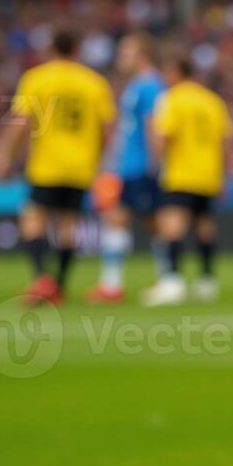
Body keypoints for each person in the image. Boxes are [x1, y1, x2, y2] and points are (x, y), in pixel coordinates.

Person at [0, 29, 115, 306]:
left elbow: (21, 123)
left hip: (47, 163)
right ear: (77, 49)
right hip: (81, 165)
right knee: (68, 225)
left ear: (51, 48)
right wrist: (98, 157)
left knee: (33, 218)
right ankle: (59, 286)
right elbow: (106, 129)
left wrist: (5, 155)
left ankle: (43, 279)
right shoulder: (95, 83)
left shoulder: (37, 78)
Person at [142, 55, 231, 307]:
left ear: (177, 71)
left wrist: (154, 162)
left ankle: (172, 281)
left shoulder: (172, 99)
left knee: (173, 225)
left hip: (181, 173)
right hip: (208, 174)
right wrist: (222, 175)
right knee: (204, 225)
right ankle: (206, 280)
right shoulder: (212, 101)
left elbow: (164, 136)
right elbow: (224, 142)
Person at [90, 34, 165, 304]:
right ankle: (113, 284)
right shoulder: (137, 85)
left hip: (141, 166)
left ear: (142, 55)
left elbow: (152, 124)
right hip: (128, 165)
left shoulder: (150, 85)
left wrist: (156, 164)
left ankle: (167, 279)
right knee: (119, 218)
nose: (121, 58)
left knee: (155, 223)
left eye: (126, 53)